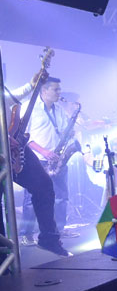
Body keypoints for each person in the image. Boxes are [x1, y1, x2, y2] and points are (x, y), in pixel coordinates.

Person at [5, 73, 69, 256]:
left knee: (44, 186)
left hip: (15, 145)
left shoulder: (58, 110)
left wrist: (30, 85)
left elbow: (7, 99)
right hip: (5, 146)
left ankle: (49, 238)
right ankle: (5, 255)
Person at [19, 76, 76, 241]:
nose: (59, 92)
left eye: (59, 89)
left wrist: (68, 133)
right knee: (31, 199)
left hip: (57, 160)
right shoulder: (29, 108)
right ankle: (26, 234)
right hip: (36, 159)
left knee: (61, 197)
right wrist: (44, 151)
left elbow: (64, 132)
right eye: (56, 89)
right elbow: (23, 136)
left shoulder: (59, 110)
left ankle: (58, 229)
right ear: (44, 90)